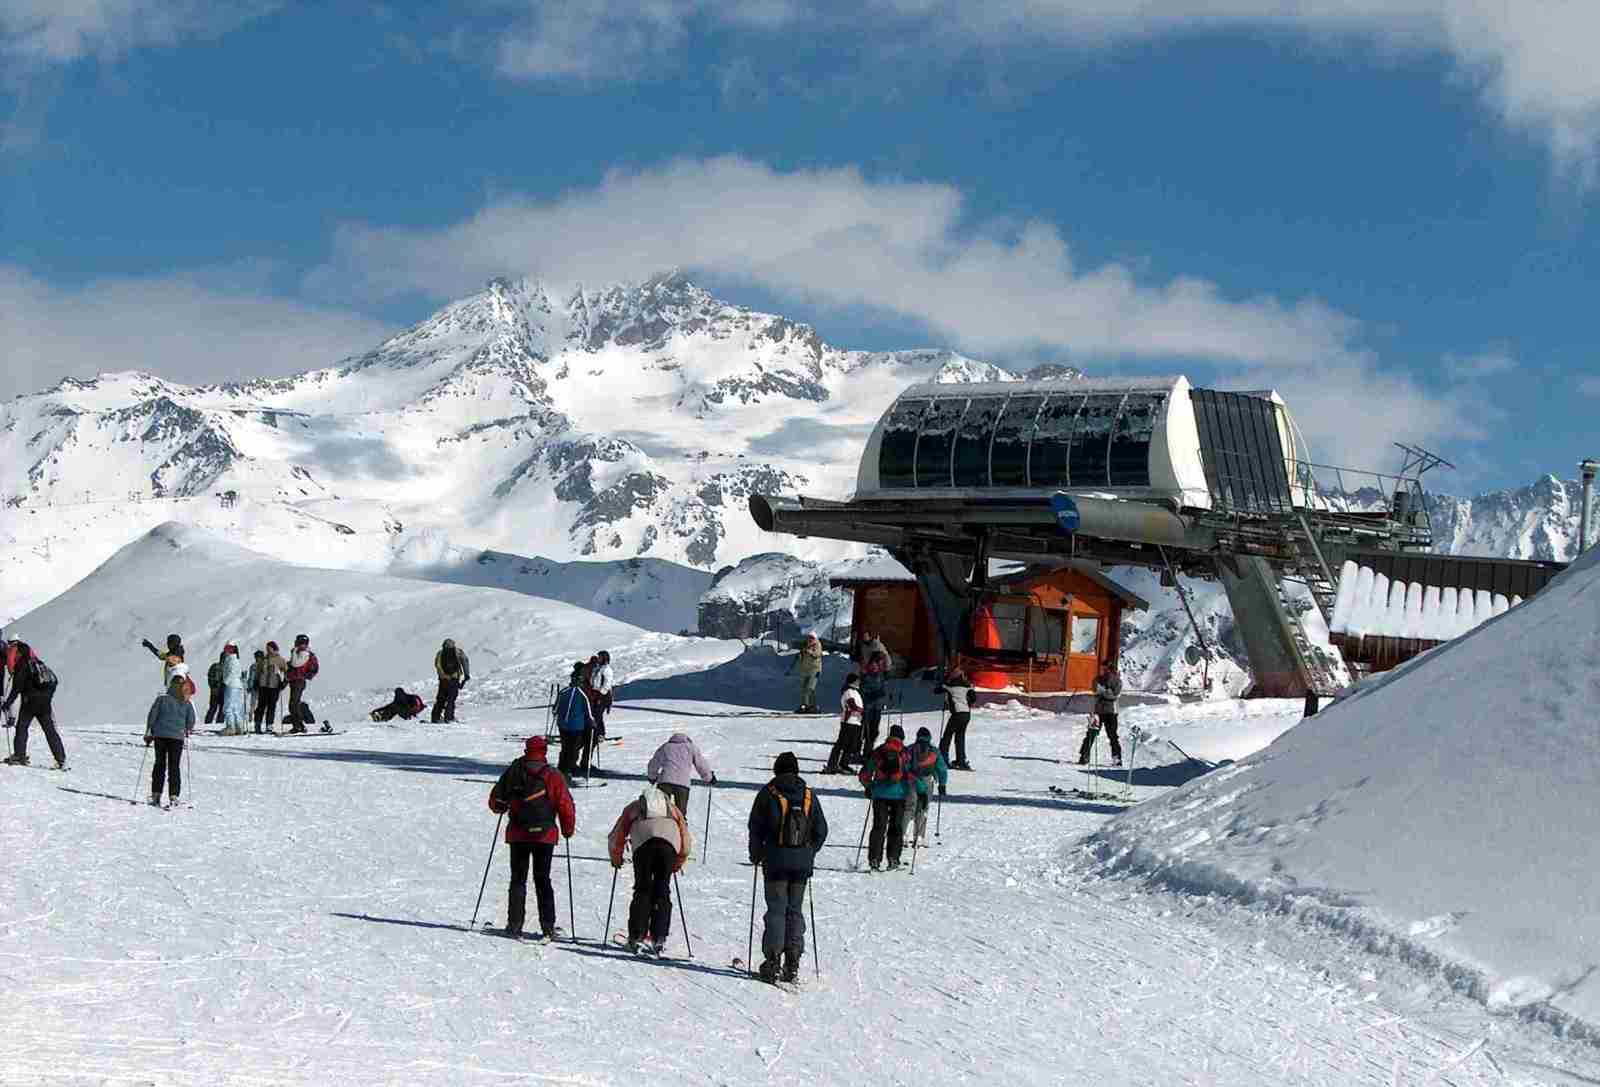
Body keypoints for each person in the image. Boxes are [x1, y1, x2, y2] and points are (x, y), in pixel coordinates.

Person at [748, 751, 828, 983]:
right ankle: (792, 961)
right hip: (801, 864)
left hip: (775, 862)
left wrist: (756, 855)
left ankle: (772, 961)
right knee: (794, 911)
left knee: (776, 911)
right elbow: (821, 830)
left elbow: (756, 828)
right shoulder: (808, 796)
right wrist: (809, 852)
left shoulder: (768, 793)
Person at [487, 736, 576, 940]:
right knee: (543, 879)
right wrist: (567, 829)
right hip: (545, 835)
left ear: (527, 750)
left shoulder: (514, 771)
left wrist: (503, 806)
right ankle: (548, 927)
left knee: (518, 879)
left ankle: (514, 924)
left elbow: (495, 801)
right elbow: (565, 804)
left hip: (518, 832)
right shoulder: (553, 775)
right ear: (544, 751)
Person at [607, 784, 693, 954]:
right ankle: (659, 938)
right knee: (662, 890)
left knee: (643, 889)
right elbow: (685, 837)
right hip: (668, 846)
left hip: (643, 846)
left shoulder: (634, 807)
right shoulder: (672, 809)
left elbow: (617, 834)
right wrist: (678, 861)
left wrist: (616, 858)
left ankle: (636, 937)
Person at [3, 641, 65, 769]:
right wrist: (47, 698)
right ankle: (61, 759)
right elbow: (54, 681)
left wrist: (7, 704)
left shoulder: (21, 666)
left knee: (21, 728)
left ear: (19, 654)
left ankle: (19, 755)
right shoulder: (38, 663)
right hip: (44, 704)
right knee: (50, 731)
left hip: (29, 703)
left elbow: (16, 688)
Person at [859, 723, 911, 871]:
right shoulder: (904, 753)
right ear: (902, 737)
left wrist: (870, 787)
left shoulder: (879, 751)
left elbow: (864, 774)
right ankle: (893, 858)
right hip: (899, 795)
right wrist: (919, 791)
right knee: (896, 828)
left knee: (878, 827)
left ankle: (874, 859)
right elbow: (912, 775)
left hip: (880, 794)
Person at [145, 674, 195, 806]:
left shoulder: (161, 699)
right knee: (174, 766)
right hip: (177, 738)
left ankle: (156, 795)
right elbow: (191, 721)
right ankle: (174, 796)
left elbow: (152, 716)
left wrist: (149, 732)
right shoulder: (186, 702)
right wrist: (187, 730)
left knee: (159, 765)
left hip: (160, 736)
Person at [645, 732, 717, 814]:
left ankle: (663, 825)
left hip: (665, 782)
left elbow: (654, 763)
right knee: (680, 815)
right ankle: (681, 825)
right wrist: (709, 778)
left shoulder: (666, 747)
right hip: (682, 784)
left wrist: (652, 777)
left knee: (662, 812)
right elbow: (701, 765)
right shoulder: (691, 748)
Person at [903, 726, 948, 847]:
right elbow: (942, 768)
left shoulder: (910, 749)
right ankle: (919, 836)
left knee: (908, 808)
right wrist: (942, 784)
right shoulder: (934, 750)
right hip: (927, 780)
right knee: (923, 808)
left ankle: (903, 835)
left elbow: (904, 765)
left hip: (911, 780)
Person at [553, 662, 593, 779]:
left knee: (565, 747)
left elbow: (555, 709)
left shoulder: (563, 692)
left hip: (563, 725)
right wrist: (592, 721)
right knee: (574, 747)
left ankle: (562, 768)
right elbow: (588, 712)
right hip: (576, 726)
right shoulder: (582, 694)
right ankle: (570, 769)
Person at [1079, 663, 1124, 766]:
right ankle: (1084, 755)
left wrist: (1104, 691)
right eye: (1103, 669)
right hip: (1098, 711)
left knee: (1112, 736)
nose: (1104, 671)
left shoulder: (1117, 680)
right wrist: (1103, 691)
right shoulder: (1098, 679)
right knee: (1091, 733)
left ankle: (1117, 758)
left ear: (1111, 669)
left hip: (1111, 712)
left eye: (1106, 669)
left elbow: (1114, 694)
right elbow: (1094, 689)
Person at [821, 673, 864, 774]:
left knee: (851, 745)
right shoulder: (848, 692)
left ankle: (843, 764)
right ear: (852, 682)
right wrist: (862, 711)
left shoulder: (855, 691)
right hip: (848, 721)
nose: (859, 682)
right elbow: (852, 706)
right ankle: (832, 765)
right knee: (841, 744)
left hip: (856, 721)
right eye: (857, 680)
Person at [934, 665, 975, 770]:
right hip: (966, 714)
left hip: (957, 713)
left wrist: (946, 680)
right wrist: (967, 703)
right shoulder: (967, 686)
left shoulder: (950, 686)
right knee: (960, 737)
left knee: (947, 736)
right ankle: (961, 761)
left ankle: (943, 758)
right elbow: (974, 698)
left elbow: (936, 690)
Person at [858, 648, 890, 762]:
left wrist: (883, 697)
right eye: (878, 663)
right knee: (866, 730)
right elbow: (862, 690)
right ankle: (862, 752)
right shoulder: (867, 675)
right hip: (868, 707)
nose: (880, 665)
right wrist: (873, 695)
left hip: (877, 707)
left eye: (881, 663)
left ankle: (868, 751)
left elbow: (883, 689)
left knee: (874, 731)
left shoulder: (880, 675)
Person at [284, 634, 318, 733]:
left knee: (293, 704)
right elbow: (293, 666)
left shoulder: (305, 654)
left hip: (299, 681)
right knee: (293, 704)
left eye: (301, 643)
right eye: (299, 643)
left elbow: (296, 664)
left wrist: (306, 675)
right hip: (295, 681)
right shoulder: (299, 653)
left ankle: (299, 726)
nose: (300, 645)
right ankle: (298, 725)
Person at [433, 638, 470, 723]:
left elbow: (437, 665)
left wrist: (443, 675)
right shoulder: (458, 652)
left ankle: (435, 717)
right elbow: (465, 661)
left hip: (443, 680)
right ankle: (449, 717)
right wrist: (466, 674)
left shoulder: (440, 653)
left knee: (441, 698)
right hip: (454, 679)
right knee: (451, 698)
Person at [588, 650, 614, 767]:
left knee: (598, 715)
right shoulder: (597, 668)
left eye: (600, 657)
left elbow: (607, 684)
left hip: (602, 695)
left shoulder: (607, 670)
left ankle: (601, 733)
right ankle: (595, 731)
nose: (598, 659)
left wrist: (601, 695)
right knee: (593, 714)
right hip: (595, 693)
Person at [255, 642, 286, 733]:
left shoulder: (280, 660)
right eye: (267, 648)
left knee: (271, 706)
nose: (268, 650)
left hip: (274, 686)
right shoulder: (263, 660)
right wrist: (256, 681)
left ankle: (269, 725)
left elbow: (286, 671)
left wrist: (284, 682)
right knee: (261, 706)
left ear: (274, 648)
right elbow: (258, 671)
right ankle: (258, 724)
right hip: (263, 686)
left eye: (269, 648)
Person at [792, 633, 824, 713]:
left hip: (814, 670)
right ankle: (804, 705)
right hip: (805, 670)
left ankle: (813, 706)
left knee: (810, 688)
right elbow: (802, 657)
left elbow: (816, 655)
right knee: (803, 688)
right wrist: (800, 655)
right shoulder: (806, 645)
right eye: (809, 638)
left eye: (812, 638)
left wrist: (809, 652)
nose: (810, 639)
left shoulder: (817, 645)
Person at [219, 644, 247, 735]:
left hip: (231, 685)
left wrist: (225, 682)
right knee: (236, 706)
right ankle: (239, 726)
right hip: (237, 685)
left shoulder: (231, 660)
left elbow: (231, 673)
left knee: (228, 706)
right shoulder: (235, 660)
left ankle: (230, 726)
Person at [204, 650, 227, 726]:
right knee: (220, 708)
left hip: (216, 690)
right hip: (221, 690)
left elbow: (209, 677)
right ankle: (218, 723)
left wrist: (212, 686)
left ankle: (208, 723)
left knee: (213, 708)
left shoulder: (215, 666)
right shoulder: (226, 668)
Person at [244, 650, 263, 725]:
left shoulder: (253, 666)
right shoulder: (265, 665)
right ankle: (257, 718)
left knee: (253, 704)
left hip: (255, 687)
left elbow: (251, 678)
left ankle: (251, 717)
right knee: (260, 704)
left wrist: (249, 687)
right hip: (262, 687)